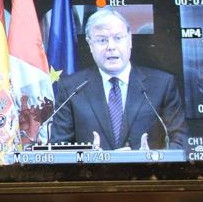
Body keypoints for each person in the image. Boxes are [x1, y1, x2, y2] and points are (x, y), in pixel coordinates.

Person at [50, 8, 186, 150]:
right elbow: (59, 147)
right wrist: (90, 158)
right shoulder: (71, 88)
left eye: (118, 38)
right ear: (90, 45)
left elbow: (180, 141)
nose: (111, 47)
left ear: (129, 41)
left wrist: (151, 158)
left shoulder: (163, 84)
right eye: (102, 40)